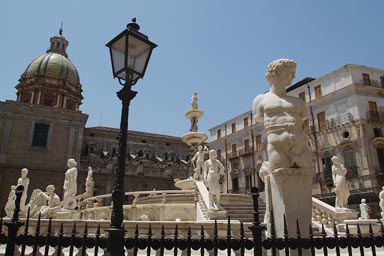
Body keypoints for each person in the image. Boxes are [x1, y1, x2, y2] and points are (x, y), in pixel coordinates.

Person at [252, 59, 312, 173]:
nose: (294, 76)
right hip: (277, 146)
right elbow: (258, 117)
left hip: (301, 145)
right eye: (291, 72)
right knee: (279, 177)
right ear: (278, 71)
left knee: (306, 177)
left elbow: (303, 118)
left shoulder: (298, 102)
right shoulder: (260, 100)